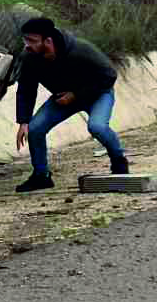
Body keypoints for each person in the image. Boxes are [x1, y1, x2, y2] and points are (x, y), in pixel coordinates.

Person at [13, 16, 128, 192]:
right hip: (63, 99)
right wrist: (23, 121)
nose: (27, 45)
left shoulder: (80, 50)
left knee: (97, 126)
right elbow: (26, 90)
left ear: (48, 40)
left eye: (32, 41)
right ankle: (41, 176)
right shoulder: (30, 57)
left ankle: (119, 162)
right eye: (25, 40)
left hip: (97, 94)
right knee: (35, 129)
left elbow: (109, 76)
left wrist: (75, 95)